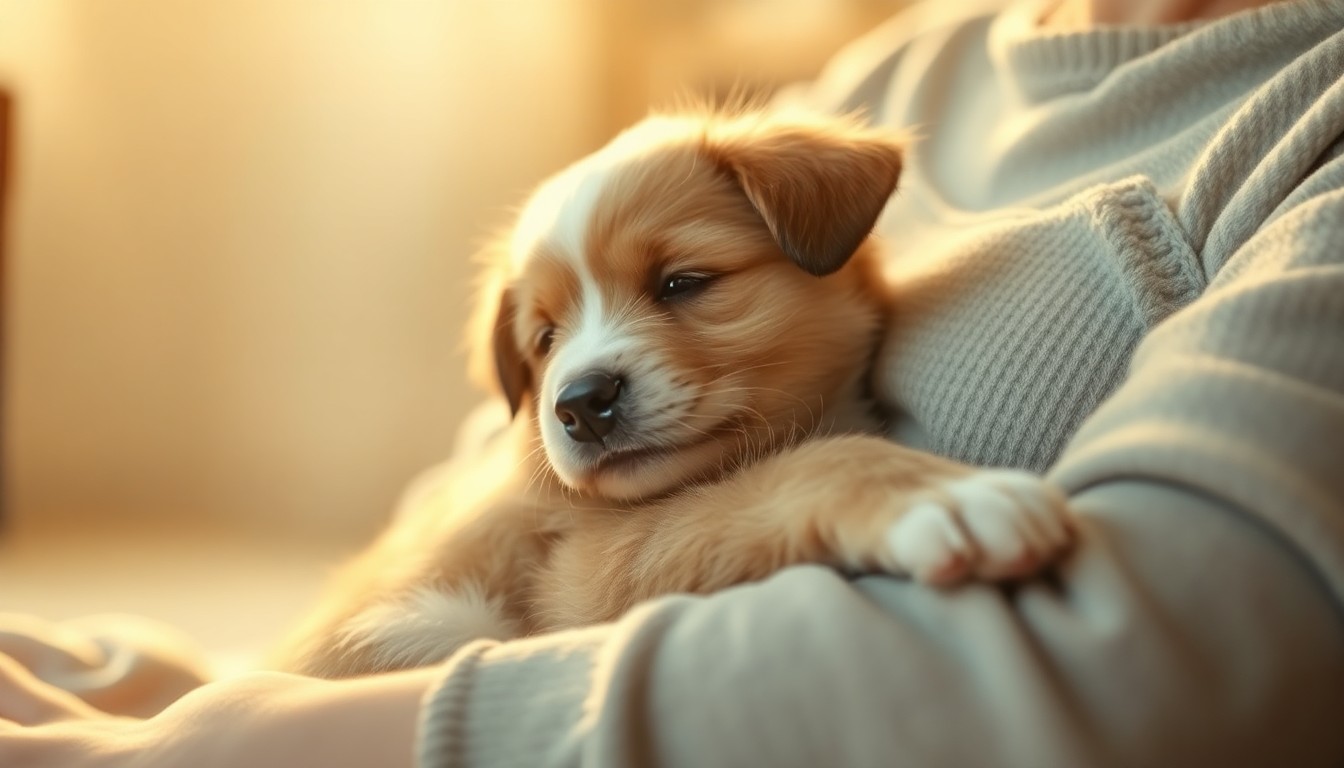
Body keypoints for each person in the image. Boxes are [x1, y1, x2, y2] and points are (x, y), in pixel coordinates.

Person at [3, 0, 1343, 765]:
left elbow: (1174, 662)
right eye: (546, 346)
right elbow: (505, 490)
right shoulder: (917, 60)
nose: (579, 378)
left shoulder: (1302, 112)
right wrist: (213, 694)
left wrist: (282, 749)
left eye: (682, 286)